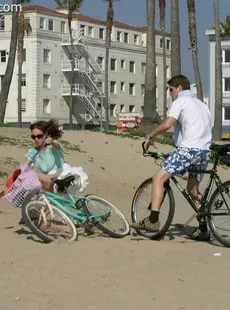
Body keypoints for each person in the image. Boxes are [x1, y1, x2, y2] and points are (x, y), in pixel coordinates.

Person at [130, 75, 212, 241]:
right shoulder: (202, 105)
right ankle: (204, 228)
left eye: (171, 89)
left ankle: (153, 220)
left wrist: (150, 136)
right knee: (193, 190)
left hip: (188, 150)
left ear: (179, 88)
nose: (170, 93)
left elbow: (168, 124)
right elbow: (195, 128)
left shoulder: (180, 102)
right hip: (204, 152)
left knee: (158, 178)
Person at [25, 119, 64, 191]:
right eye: (33, 137)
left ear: (46, 134)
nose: (36, 139)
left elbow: (57, 146)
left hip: (59, 178)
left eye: (39, 136)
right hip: (47, 180)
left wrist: (52, 142)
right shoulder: (33, 151)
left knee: (32, 174)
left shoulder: (53, 147)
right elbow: (25, 166)